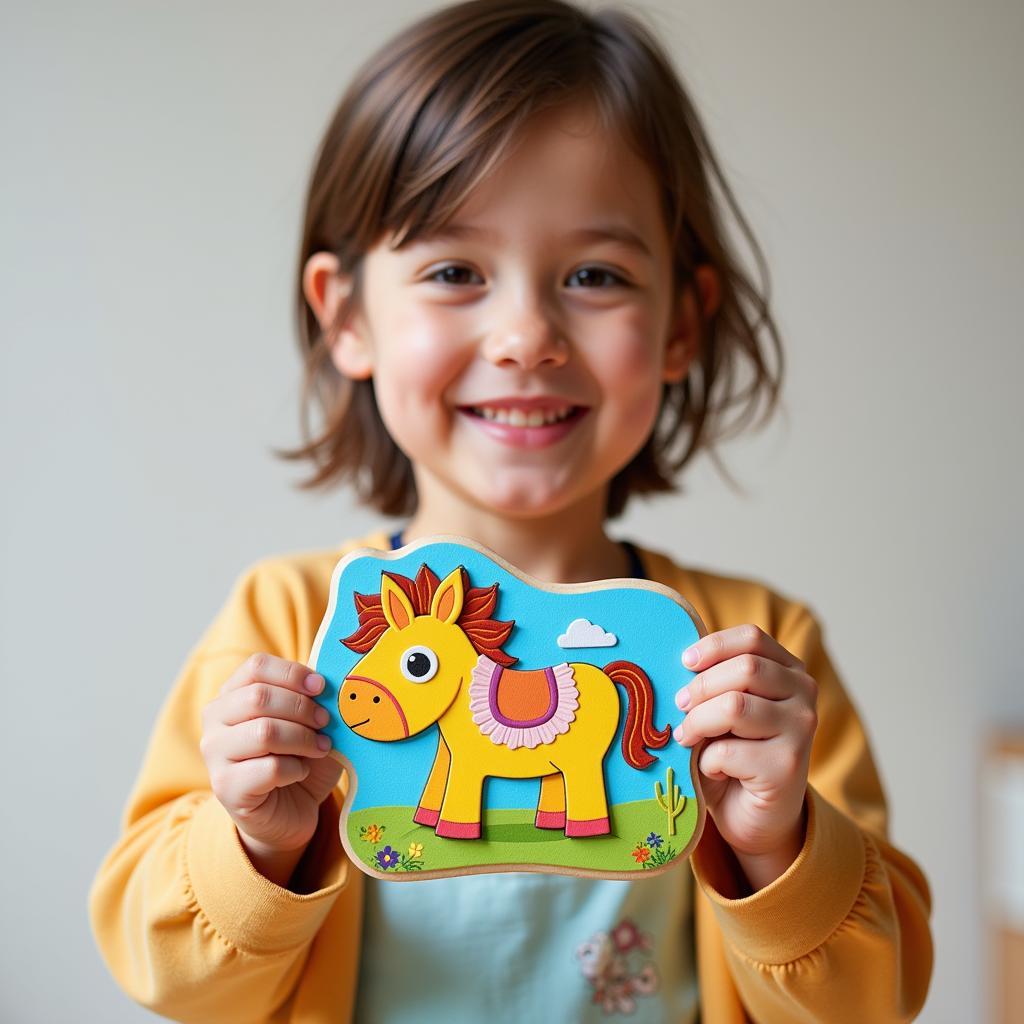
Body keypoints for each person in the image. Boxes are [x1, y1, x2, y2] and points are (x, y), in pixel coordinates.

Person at [88, 1, 933, 1021]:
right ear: (348, 315)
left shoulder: (752, 656)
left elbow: (873, 999)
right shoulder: (287, 622)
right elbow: (169, 974)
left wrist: (778, 845)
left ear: (681, 325)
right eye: (453, 271)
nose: (526, 333)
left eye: (594, 275)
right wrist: (258, 844)